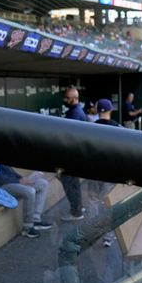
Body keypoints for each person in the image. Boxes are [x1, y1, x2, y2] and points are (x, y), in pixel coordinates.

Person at [0, 162, 51, 238]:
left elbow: (9, 172)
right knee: (29, 191)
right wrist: (18, 181)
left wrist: (22, 178)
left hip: (10, 182)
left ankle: (35, 219)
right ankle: (27, 227)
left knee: (43, 183)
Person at [93, 98, 121, 247]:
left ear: (97, 111)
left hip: (94, 171)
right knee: (108, 204)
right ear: (110, 110)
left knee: (97, 203)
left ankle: (98, 232)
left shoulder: (89, 127)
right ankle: (108, 237)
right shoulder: (117, 127)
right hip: (110, 171)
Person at [60, 86, 86, 220]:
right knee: (73, 184)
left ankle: (76, 212)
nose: (64, 99)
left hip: (72, 157)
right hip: (76, 156)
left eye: (67, 98)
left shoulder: (75, 113)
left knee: (70, 184)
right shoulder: (76, 111)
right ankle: (78, 208)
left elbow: (70, 138)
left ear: (74, 98)